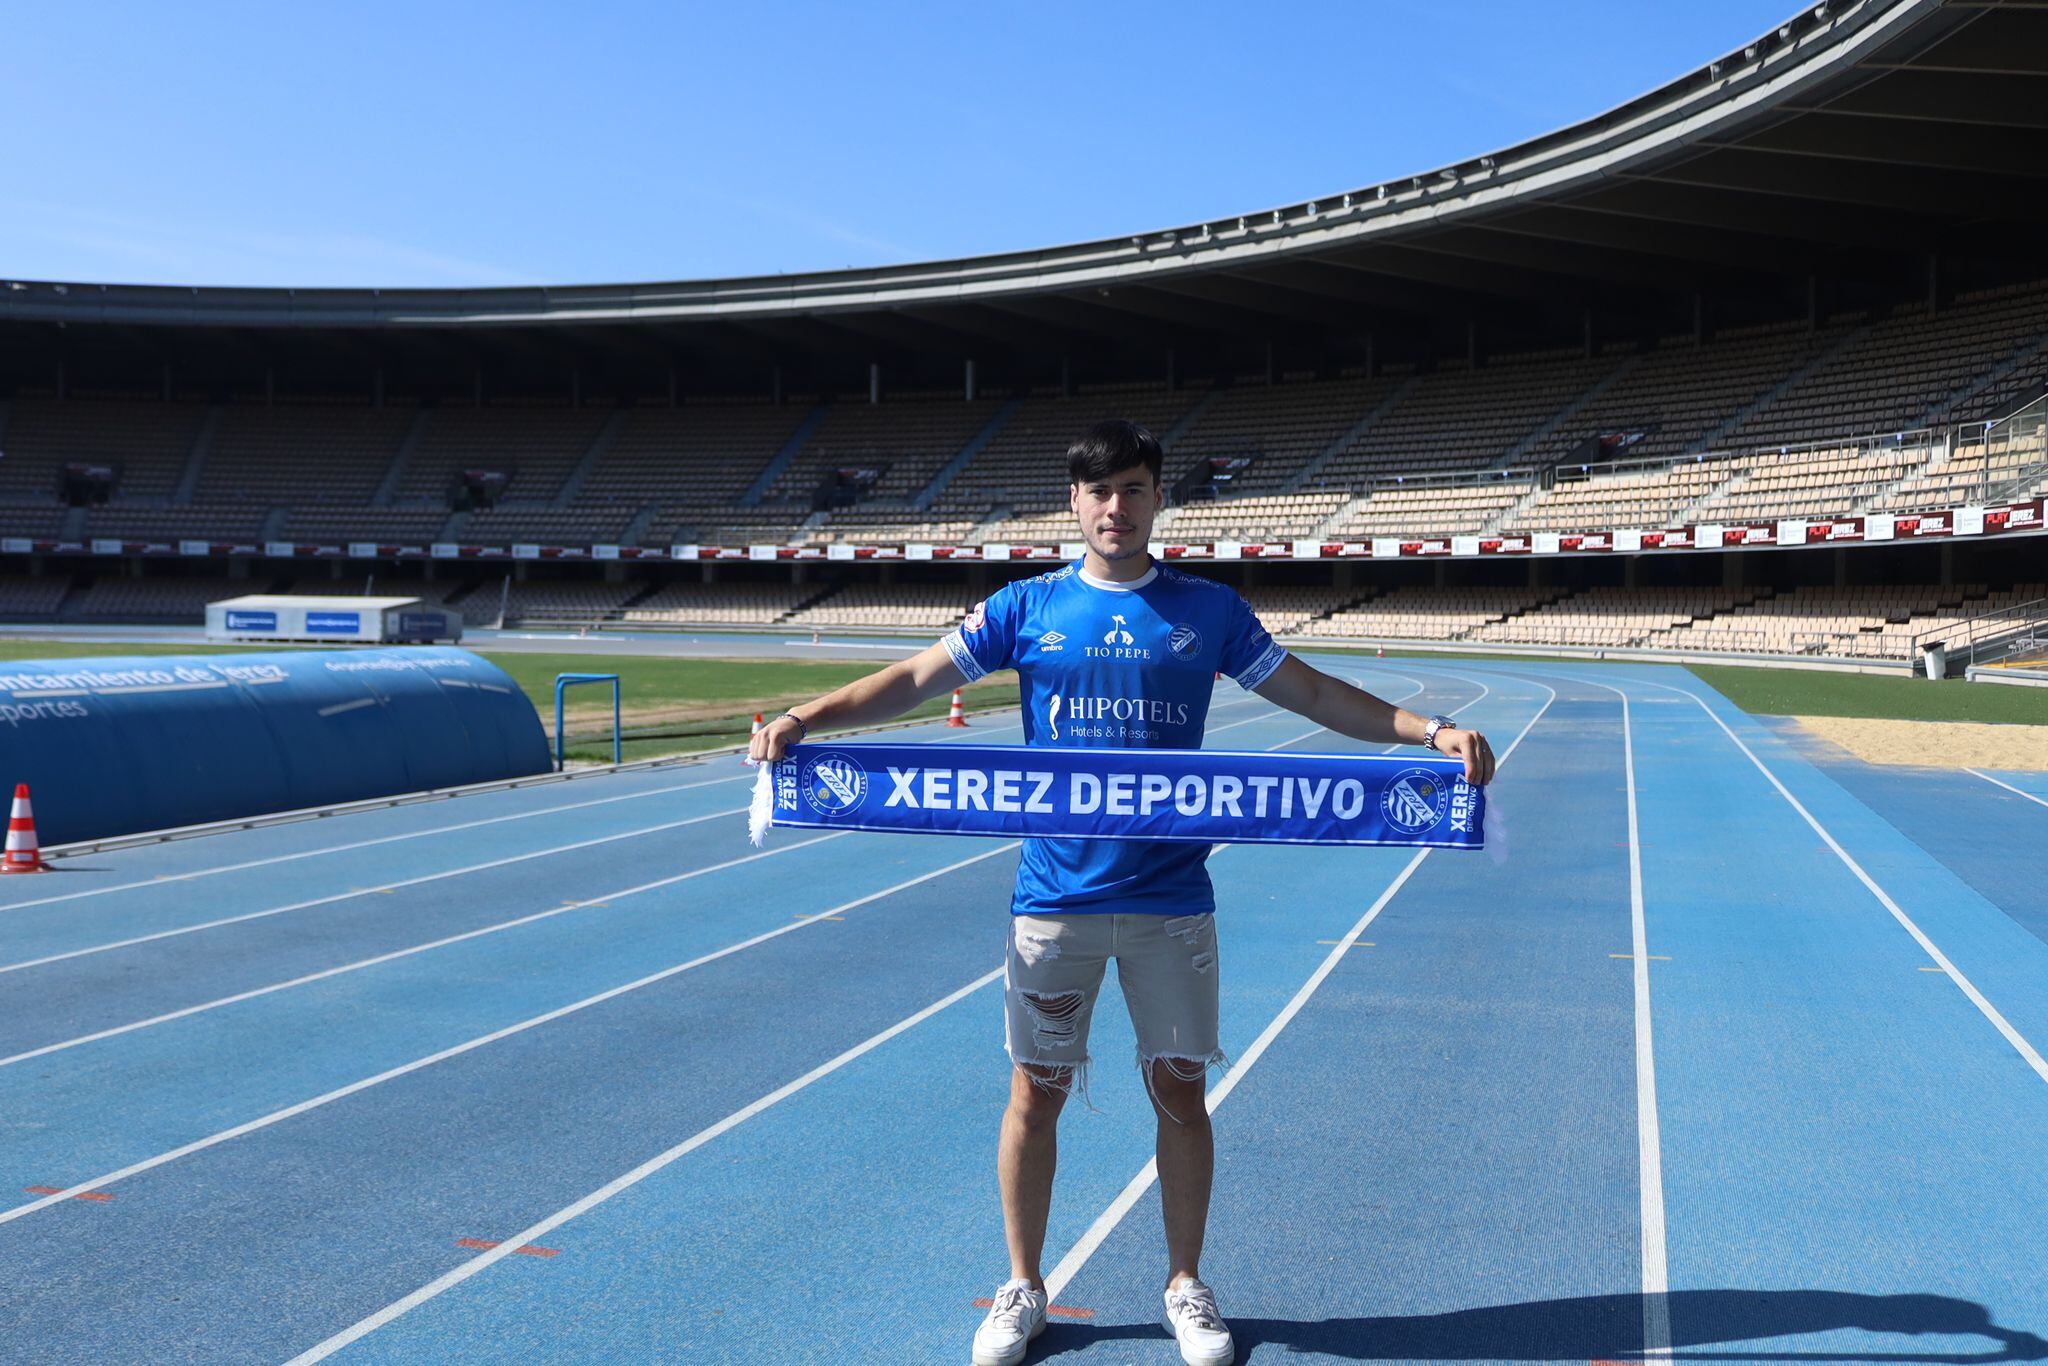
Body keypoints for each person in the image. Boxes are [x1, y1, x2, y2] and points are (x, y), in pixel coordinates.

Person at [748, 420, 1494, 1366]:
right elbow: (911, 678)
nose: (1116, 507)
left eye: (1134, 489)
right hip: (1052, 899)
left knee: (1181, 1092)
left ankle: (1186, 1284)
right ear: (1074, 502)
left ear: (1155, 499)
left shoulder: (1208, 611)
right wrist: (808, 717)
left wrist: (1432, 731)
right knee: (1037, 1091)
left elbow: (1315, 695)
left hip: (1171, 901)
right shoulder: (1025, 607)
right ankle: (1022, 1287)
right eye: (1099, 492)